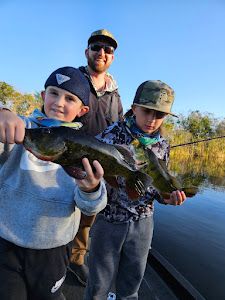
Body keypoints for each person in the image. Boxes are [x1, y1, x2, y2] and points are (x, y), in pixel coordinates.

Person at [0, 66, 107, 300]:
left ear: (83, 110)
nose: (59, 102)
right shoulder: (20, 128)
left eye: (70, 98)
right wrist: (3, 113)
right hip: (7, 241)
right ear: (43, 96)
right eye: (54, 93)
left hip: (54, 248)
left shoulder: (87, 146)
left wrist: (91, 189)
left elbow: (91, 207)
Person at [84, 80, 187, 300]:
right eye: (147, 111)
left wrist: (167, 197)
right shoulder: (110, 136)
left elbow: (156, 187)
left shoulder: (163, 145)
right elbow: (92, 176)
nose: (152, 119)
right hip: (109, 220)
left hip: (144, 223)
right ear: (134, 107)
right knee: (98, 285)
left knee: (132, 284)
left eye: (159, 115)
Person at [69, 29, 123, 286]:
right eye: (96, 47)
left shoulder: (116, 94)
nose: (101, 52)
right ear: (87, 51)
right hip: (67, 158)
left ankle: (76, 261)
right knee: (61, 210)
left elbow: (121, 128)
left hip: (99, 166)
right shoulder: (74, 80)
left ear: (112, 57)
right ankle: (55, 256)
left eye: (108, 49)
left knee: (88, 218)